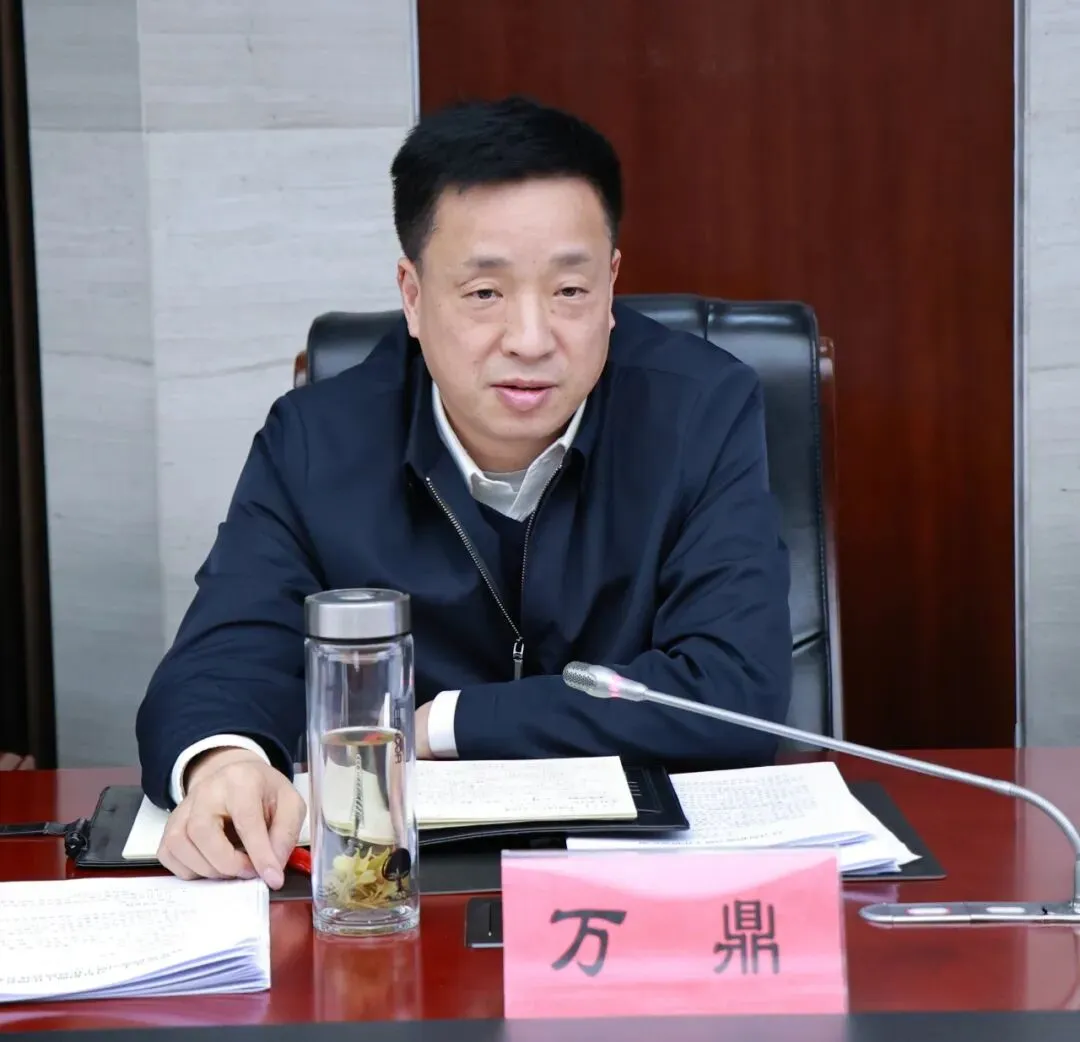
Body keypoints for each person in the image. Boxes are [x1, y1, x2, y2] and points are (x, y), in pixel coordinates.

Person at [136, 96, 793, 888]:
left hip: (641, 883)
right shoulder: (318, 440)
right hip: (386, 889)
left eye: (571, 291)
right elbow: (224, 651)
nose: (531, 339)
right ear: (412, 295)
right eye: (485, 293)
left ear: (612, 283)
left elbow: (731, 692)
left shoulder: (700, 411)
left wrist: (448, 724)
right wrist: (224, 762)